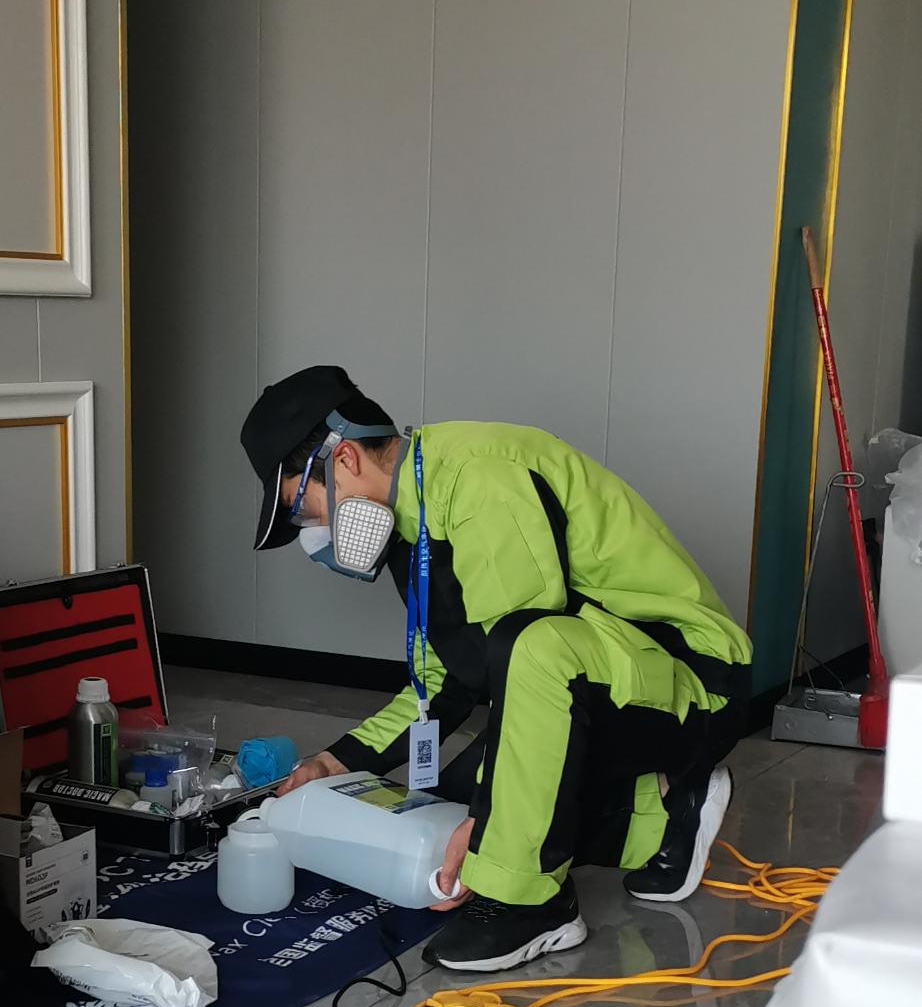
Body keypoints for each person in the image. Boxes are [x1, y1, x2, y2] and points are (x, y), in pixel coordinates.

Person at [240, 366, 752, 974]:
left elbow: (531, 653)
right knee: (447, 806)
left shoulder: (481, 479)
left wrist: (489, 827)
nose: (315, 531)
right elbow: (440, 679)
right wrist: (340, 759)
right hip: (604, 676)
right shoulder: (414, 525)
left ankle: (534, 907)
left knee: (499, 796)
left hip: (693, 679)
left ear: (343, 459)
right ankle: (667, 816)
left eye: (303, 508)